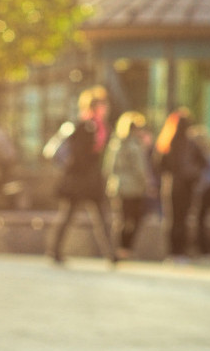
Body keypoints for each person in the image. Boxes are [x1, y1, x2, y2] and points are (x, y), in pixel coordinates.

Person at [47, 86, 117, 265]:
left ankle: (111, 254)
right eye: (103, 104)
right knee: (70, 215)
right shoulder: (85, 126)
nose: (106, 108)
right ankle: (54, 251)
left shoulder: (100, 127)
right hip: (80, 181)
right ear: (95, 106)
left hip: (91, 180)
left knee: (101, 217)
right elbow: (79, 155)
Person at [155, 108, 206, 262]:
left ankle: (173, 252)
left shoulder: (167, 141)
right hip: (186, 186)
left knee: (173, 219)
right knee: (182, 219)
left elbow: (158, 165)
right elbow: (204, 162)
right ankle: (180, 252)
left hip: (172, 185)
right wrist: (193, 174)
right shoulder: (190, 143)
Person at [105, 111, 152, 260]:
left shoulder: (115, 143)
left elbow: (108, 167)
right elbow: (140, 169)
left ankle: (119, 249)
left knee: (122, 218)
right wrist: (148, 183)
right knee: (135, 218)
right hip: (134, 187)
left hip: (117, 186)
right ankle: (125, 248)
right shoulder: (134, 145)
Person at [190, 125, 210, 260]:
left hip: (205, 191)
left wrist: (197, 189)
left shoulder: (209, 157)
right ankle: (201, 250)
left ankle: (205, 250)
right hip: (205, 190)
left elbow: (208, 177)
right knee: (199, 220)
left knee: (201, 220)